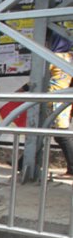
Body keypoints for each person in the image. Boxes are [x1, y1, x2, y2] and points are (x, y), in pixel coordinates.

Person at [48, 34, 73, 177]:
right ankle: (21, 163)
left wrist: (21, 91)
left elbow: (39, 76)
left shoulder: (53, 57)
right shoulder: (70, 57)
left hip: (54, 99)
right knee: (47, 132)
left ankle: (72, 168)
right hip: (65, 99)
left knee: (61, 135)